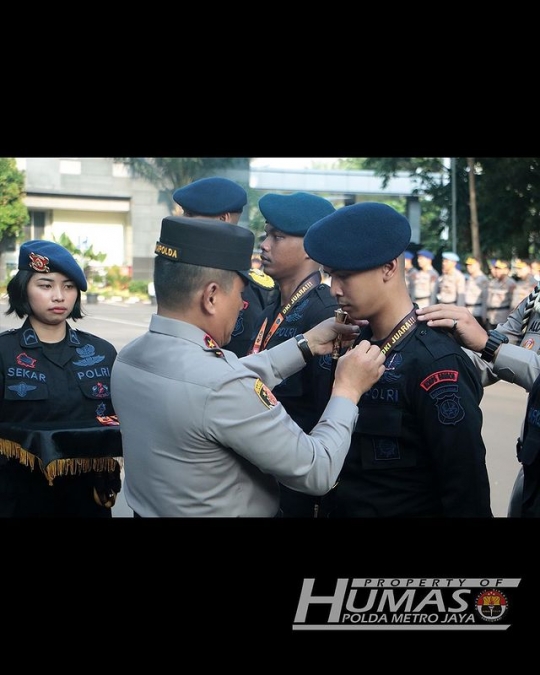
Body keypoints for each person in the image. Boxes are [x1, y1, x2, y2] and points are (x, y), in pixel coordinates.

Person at [110, 215, 385, 518]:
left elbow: (212, 382)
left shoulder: (129, 358)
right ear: (211, 296)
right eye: (240, 293)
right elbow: (317, 471)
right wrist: (347, 390)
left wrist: (304, 345)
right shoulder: (220, 387)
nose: (243, 304)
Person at [303, 202, 493, 518]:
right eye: (330, 275)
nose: (334, 289)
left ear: (389, 268)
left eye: (345, 276)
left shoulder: (436, 363)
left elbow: (465, 489)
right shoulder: (349, 345)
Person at [0, 240, 122, 517]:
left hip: (88, 501)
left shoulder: (102, 352)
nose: (59, 296)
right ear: (23, 289)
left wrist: (109, 481)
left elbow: (115, 426)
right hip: (18, 500)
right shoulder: (4, 352)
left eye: (68, 286)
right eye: (46, 285)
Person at [415, 279, 540, 517]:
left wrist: (489, 345)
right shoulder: (537, 296)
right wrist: (425, 353)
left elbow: (493, 349)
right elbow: (488, 360)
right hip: (532, 464)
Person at [253, 191, 338, 517]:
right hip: (265, 478)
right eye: (266, 234)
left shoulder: (325, 314)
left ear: (310, 247)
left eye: (277, 236)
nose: (264, 244)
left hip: (300, 484)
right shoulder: (270, 308)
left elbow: (325, 412)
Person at [172, 176, 276, 357]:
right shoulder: (182, 271)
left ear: (222, 219)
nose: (184, 220)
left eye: (190, 215)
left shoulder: (245, 287)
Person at [486, 259, 517, 330]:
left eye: (499, 269)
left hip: (503, 318)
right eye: (496, 268)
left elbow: (513, 304)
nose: (497, 271)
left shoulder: (511, 283)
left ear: (506, 270)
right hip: (491, 317)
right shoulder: (493, 282)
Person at [464, 256, 488, 327]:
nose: (468, 267)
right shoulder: (469, 278)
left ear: (478, 265)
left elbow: (485, 299)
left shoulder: (482, 279)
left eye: (471, 265)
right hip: (468, 311)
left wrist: (484, 315)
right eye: (467, 265)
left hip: (477, 312)